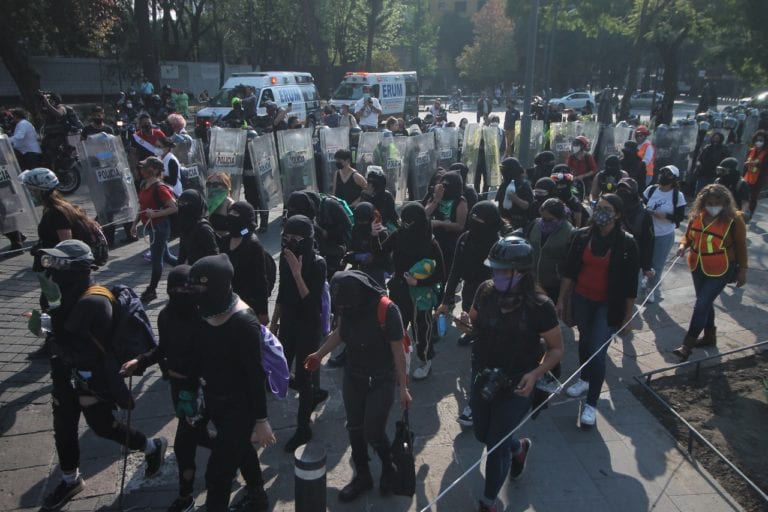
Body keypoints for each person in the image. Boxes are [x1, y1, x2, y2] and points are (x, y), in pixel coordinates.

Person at [37, 240, 167, 510]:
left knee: (103, 426)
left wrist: (51, 322)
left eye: (60, 264)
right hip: (65, 372)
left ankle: (153, 446)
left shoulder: (93, 301)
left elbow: (73, 344)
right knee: (64, 427)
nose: (53, 270)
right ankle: (70, 479)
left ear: (78, 268)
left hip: (91, 377)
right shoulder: (64, 293)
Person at [456, 236, 563, 512]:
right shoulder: (485, 290)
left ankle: (489, 501)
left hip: (518, 382)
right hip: (482, 374)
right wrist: (465, 324)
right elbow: (473, 323)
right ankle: (519, 447)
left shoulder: (540, 305)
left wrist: (536, 374)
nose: (497, 275)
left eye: (504, 270)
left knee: (495, 445)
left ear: (521, 271)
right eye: (494, 269)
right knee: (482, 434)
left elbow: (556, 349)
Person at [304, 270, 411, 502]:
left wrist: (403, 387)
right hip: (353, 375)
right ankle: (363, 476)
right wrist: (319, 354)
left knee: (373, 431)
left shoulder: (387, 310)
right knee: (354, 428)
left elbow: (398, 351)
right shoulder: (347, 305)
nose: (344, 309)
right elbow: (341, 332)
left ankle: (388, 467)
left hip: (381, 378)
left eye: (347, 305)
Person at [185, 255, 274, 512]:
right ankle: (258, 497)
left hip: (240, 406)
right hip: (215, 399)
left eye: (201, 288)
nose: (195, 295)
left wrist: (261, 420)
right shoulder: (204, 312)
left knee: (217, 475)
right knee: (242, 449)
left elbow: (255, 375)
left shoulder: (243, 322)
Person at [560, 194, 639, 426]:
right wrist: (562, 300)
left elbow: (630, 284)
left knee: (597, 351)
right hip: (583, 299)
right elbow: (570, 271)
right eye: (598, 207)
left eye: (606, 209)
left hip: (608, 304)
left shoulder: (627, 243)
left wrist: (627, 316)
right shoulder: (582, 236)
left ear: (617, 214)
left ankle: (592, 404)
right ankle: (584, 380)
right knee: (584, 342)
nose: (600, 212)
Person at [157, 265, 212, 512]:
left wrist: (187, 374)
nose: (181, 293)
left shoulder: (204, 318)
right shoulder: (165, 316)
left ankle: (185, 495)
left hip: (200, 390)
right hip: (178, 389)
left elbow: (208, 359)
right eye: (175, 289)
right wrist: (141, 361)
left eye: (186, 288)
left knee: (183, 444)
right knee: (197, 433)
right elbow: (163, 349)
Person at [270, 215, 328, 452]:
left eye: (296, 238)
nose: (290, 242)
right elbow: (283, 293)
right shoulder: (286, 259)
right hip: (289, 322)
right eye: (286, 238)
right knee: (280, 368)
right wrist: (274, 324)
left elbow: (312, 304)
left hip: (309, 325)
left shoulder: (318, 263)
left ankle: (304, 427)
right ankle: (312, 392)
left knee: (304, 377)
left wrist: (297, 272)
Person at [673, 184, 748, 361]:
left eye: (717, 202)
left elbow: (741, 246)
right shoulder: (697, 215)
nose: (713, 205)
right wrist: (683, 245)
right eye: (709, 202)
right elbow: (689, 236)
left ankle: (687, 345)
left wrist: (743, 271)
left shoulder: (734, 219)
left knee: (701, 305)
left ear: (725, 202)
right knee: (705, 303)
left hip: (721, 267)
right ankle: (709, 337)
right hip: (697, 266)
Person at [375, 202, 445, 380]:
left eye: (408, 224)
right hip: (399, 290)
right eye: (402, 223)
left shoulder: (431, 243)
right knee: (396, 328)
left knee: (422, 329)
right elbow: (381, 250)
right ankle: (398, 362)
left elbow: (441, 274)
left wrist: (419, 282)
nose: (404, 227)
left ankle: (425, 361)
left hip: (421, 295)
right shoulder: (399, 235)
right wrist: (374, 235)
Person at [130, 157, 179, 302]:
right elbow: (142, 207)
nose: (142, 169)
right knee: (166, 256)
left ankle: (152, 290)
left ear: (155, 170)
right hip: (152, 227)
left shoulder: (160, 188)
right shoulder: (144, 184)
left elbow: (174, 207)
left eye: (146, 167)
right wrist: (134, 224)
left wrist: (156, 214)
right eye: (142, 167)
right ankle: (188, 269)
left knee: (157, 260)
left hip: (159, 228)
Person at [223, 201, 272, 324]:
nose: (231, 216)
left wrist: (263, 311)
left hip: (248, 305)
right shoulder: (224, 240)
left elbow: (261, 280)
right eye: (230, 212)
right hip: (228, 303)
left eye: (235, 214)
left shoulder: (252, 244)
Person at [643, 165, 686, 303]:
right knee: (643, 261)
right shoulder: (651, 190)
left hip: (664, 234)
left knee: (657, 264)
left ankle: (651, 289)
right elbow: (642, 205)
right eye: (662, 172)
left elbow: (680, 217)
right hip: (647, 233)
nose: (663, 176)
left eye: (668, 174)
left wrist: (665, 215)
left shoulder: (677, 196)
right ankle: (642, 282)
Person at [524, 198, 574, 303]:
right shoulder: (535, 225)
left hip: (555, 286)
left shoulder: (570, 232)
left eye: (550, 220)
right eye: (543, 218)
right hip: (532, 282)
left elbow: (571, 265)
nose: (545, 222)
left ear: (561, 218)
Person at [424, 171, 468, 283]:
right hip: (434, 240)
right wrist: (436, 200)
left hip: (451, 242)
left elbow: (460, 225)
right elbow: (424, 214)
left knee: (447, 271)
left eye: (446, 186)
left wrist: (439, 223)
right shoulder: (435, 197)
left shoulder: (460, 201)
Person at [616, 178, 655, 296]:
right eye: (620, 189)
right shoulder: (612, 206)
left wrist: (646, 266)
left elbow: (648, 242)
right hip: (611, 256)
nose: (622, 193)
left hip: (632, 259)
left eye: (626, 190)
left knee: (627, 292)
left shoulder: (644, 214)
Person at [343, 201, 391, 286]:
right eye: (359, 222)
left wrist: (374, 237)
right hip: (359, 270)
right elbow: (351, 251)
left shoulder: (381, 232)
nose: (361, 224)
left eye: (364, 222)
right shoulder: (356, 229)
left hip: (379, 272)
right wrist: (358, 256)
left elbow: (385, 258)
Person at [175, 189, 218, 266]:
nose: (181, 206)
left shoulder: (203, 228)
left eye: (185, 203)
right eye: (180, 203)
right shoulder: (185, 224)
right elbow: (182, 253)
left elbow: (214, 254)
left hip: (205, 270)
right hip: (192, 268)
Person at [495, 157, 533, 230]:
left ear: (511, 170)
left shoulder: (523, 185)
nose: (502, 171)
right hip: (504, 220)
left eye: (504, 169)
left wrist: (516, 199)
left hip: (519, 223)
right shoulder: (504, 184)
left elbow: (527, 205)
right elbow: (499, 202)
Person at [362, 166, 398, 231]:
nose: (367, 185)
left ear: (376, 185)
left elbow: (394, 217)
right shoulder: (364, 195)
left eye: (369, 183)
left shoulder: (387, 196)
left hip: (384, 229)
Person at [743, 129, 768, 217]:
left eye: (761, 140)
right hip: (748, 175)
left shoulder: (766, 153)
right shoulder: (751, 151)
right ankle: (742, 211)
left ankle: (750, 213)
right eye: (757, 140)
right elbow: (746, 163)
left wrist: (757, 165)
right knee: (744, 194)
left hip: (760, 178)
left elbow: (765, 167)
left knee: (754, 196)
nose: (759, 142)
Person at [206, 172, 235, 240]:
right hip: (209, 242)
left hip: (225, 244)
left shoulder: (230, 204)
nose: (211, 187)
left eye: (215, 184)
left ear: (225, 186)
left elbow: (245, 230)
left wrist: (233, 238)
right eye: (208, 184)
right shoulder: (206, 202)